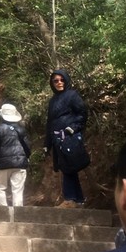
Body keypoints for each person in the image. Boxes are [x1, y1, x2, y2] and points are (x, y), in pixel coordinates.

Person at [44, 68, 87, 207]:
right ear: (52, 83)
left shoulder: (72, 96)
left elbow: (82, 113)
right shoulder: (52, 101)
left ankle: (70, 198)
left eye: (62, 79)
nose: (59, 82)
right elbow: (50, 123)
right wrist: (47, 144)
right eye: (55, 80)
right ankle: (78, 200)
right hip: (57, 139)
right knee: (67, 167)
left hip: (70, 137)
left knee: (68, 167)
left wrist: (73, 128)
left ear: (66, 80)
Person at [0, 103, 31, 208]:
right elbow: (28, 147)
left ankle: (3, 211)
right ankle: (17, 214)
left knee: (0, 188)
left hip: (3, 164)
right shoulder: (21, 129)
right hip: (20, 163)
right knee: (17, 190)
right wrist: (26, 158)